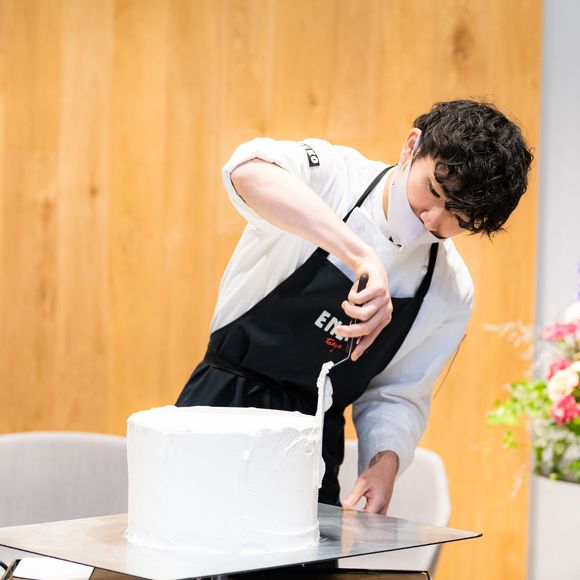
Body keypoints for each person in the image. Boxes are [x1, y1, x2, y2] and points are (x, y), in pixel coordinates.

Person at [176, 99, 533, 515]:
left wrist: (384, 462)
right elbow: (247, 171)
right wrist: (360, 255)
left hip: (313, 446)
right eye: (433, 191)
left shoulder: (449, 288)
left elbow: (399, 393)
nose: (432, 219)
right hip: (220, 407)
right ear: (412, 147)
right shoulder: (336, 177)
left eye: (459, 218)